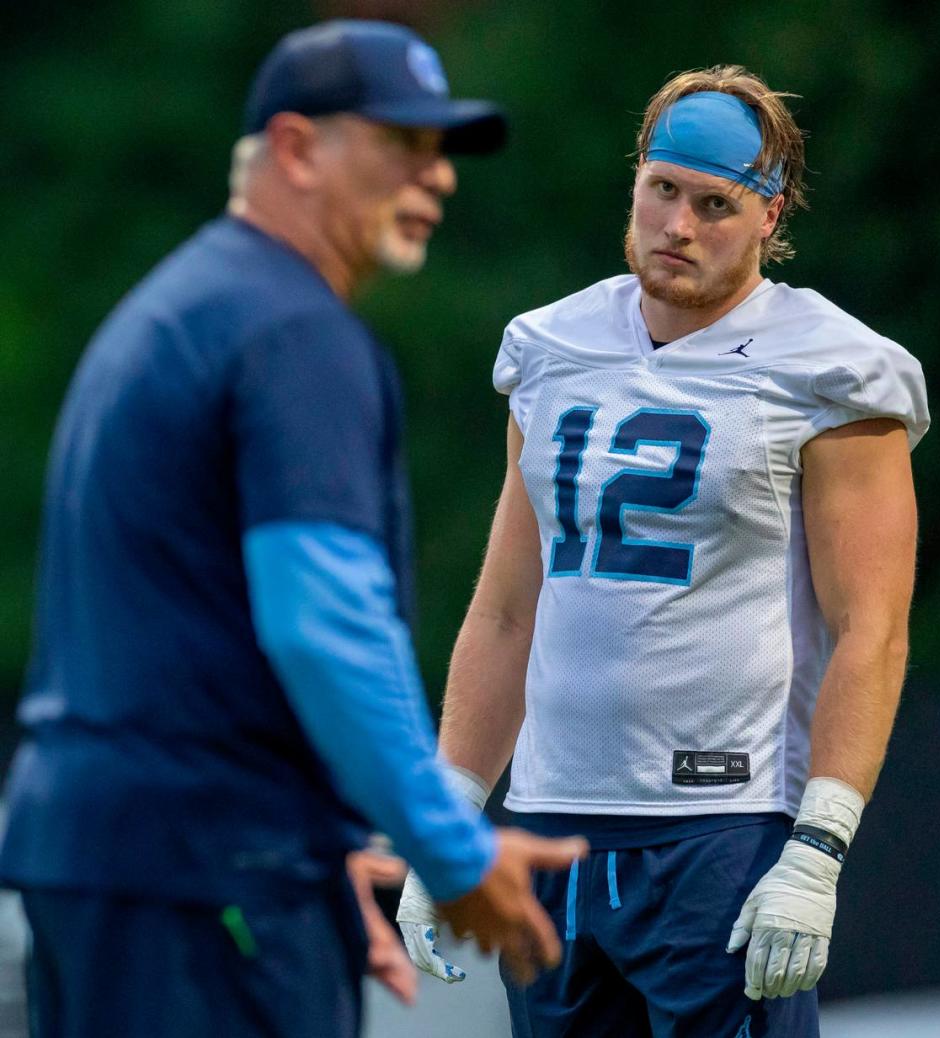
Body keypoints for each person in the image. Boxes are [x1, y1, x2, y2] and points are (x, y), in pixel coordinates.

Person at [0, 19, 586, 1038]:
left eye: (441, 151)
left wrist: (320, 852)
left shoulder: (179, 306)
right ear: (296, 148)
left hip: (112, 864)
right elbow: (323, 626)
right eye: (402, 142)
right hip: (208, 875)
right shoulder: (293, 332)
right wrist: (453, 850)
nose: (437, 176)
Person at [398, 65, 929, 1036]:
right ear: (636, 179)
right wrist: (448, 816)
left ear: (771, 215)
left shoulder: (831, 366)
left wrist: (818, 846)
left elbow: (872, 630)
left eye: (716, 203)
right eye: (664, 189)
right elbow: (511, 607)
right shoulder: (552, 347)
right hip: (552, 822)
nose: (680, 225)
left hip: (722, 830)